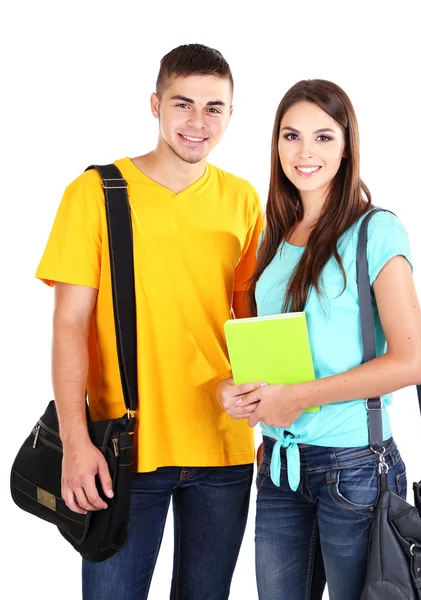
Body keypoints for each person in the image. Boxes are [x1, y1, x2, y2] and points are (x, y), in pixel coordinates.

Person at [36, 43, 264, 600]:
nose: (197, 121)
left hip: (224, 449)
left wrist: (271, 411)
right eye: (183, 103)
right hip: (124, 451)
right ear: (155, 104)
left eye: (214, 107)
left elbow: (250, 319)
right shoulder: (94, 194)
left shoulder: (243, 200)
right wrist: (74, 442)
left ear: (231, 116)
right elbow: (70, 325)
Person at [216, 79, 421, 600]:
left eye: (323, 137)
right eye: (291, 137)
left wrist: (297, 398)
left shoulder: (375, 232)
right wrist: (236, 389)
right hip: (280, 466)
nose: (304, 152)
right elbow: (278, 351)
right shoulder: (273, 237)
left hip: (354, 469)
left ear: (347, 144)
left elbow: (412, 361)